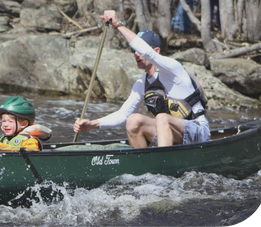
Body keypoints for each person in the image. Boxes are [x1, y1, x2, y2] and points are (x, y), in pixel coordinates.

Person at [73, 10, 210, 148]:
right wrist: (91, 124)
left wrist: (117, 25)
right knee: (133, 120)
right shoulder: (142, 83)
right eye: (134, 51)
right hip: (171, 132)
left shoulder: (172, 68)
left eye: (139, 50)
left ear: (156, 51)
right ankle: (144, 166)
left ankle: (162, 166)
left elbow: (147, 52)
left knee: (162, 118)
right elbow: (122, 115)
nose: (136, 54)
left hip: (198, 130)